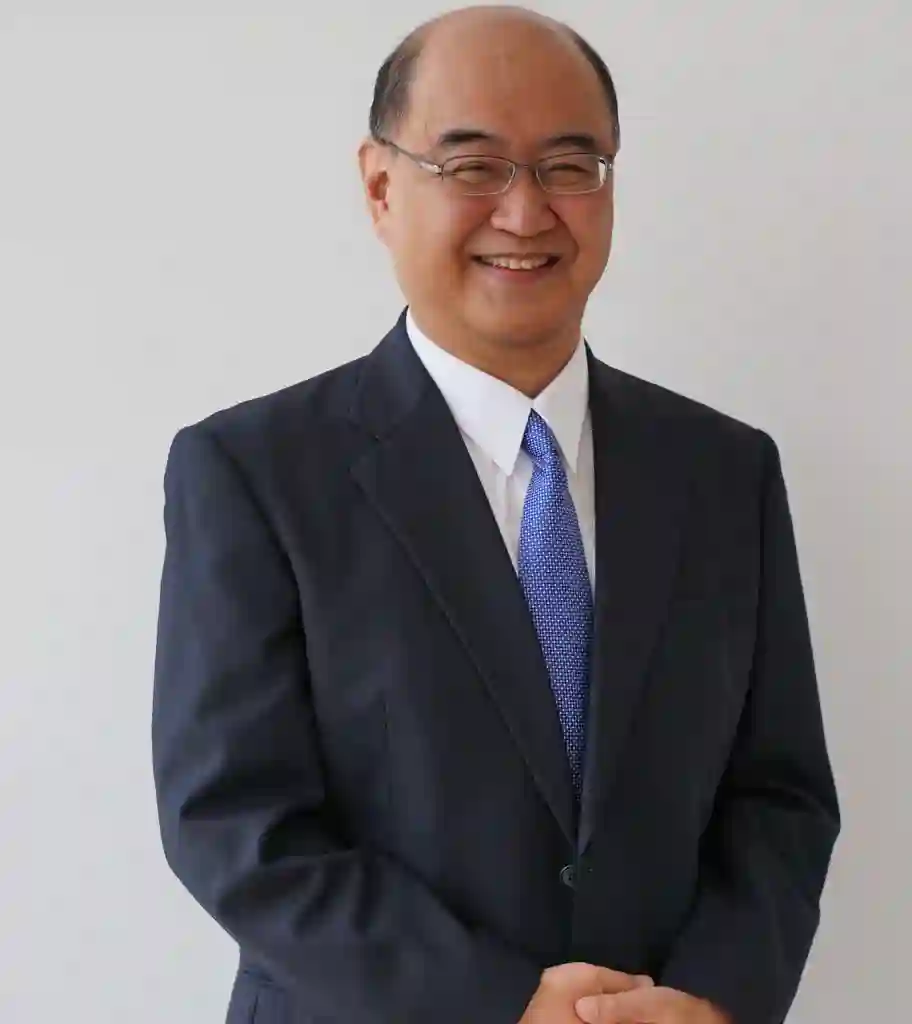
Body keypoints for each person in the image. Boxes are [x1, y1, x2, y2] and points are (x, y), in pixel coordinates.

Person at [152, 6, 840, 1024]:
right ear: (381, 187)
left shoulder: (723, 471)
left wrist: (713, 997)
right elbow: (235, 822)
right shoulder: (254, 472)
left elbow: (778, 795)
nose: (525, 212)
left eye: (570, 166)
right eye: (472, 166)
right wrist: (499, 1003)